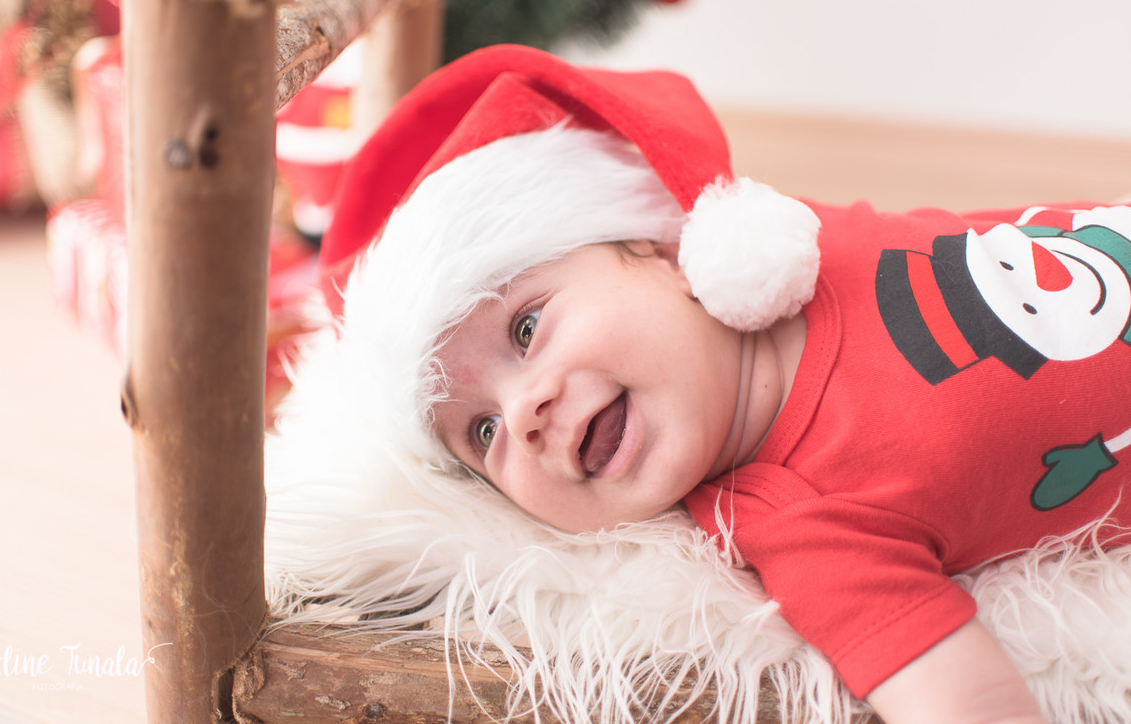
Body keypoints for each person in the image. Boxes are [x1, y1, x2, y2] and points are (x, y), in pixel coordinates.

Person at [308, 44, 1131, 724]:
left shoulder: (791, 242)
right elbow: (967, 700)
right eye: (480, 433)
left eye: (526, 329)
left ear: (667, 255)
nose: (522, 413)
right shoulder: (800, 524)